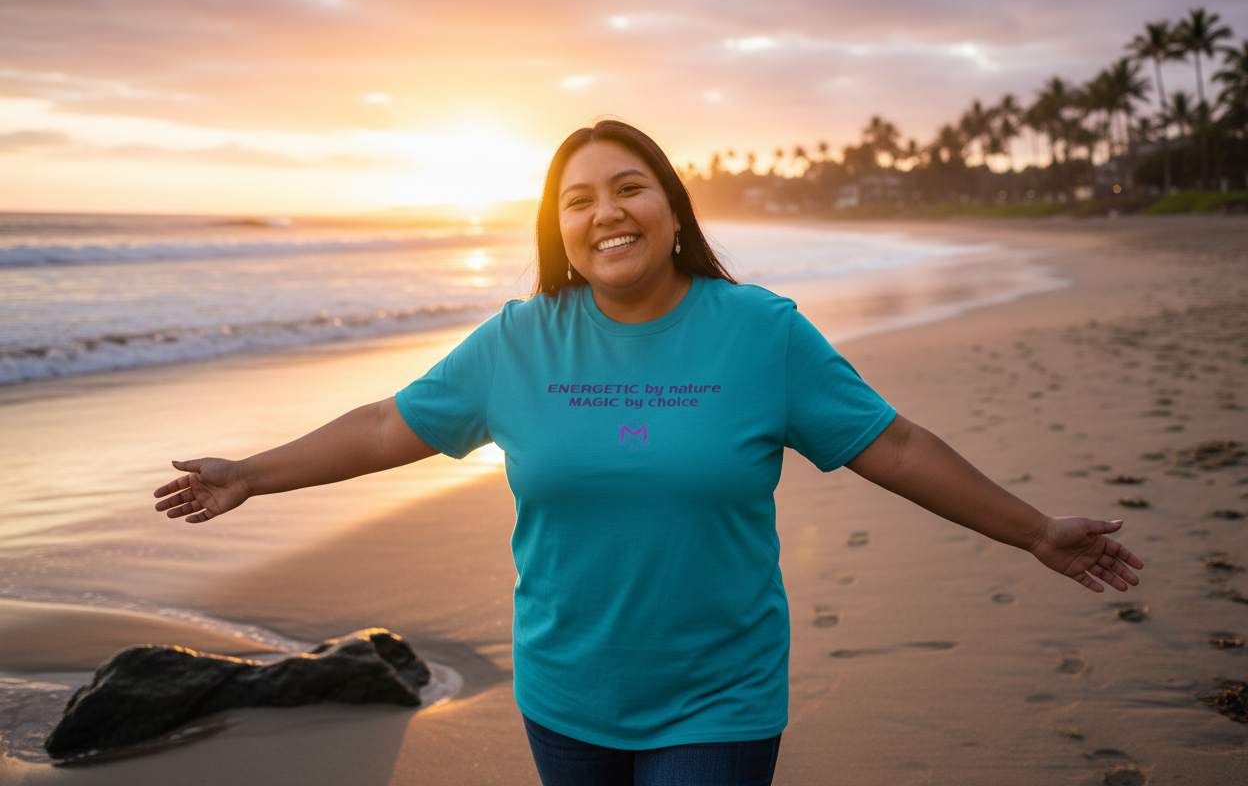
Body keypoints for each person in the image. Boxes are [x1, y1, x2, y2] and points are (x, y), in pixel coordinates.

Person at [154, 120, 1143, 786]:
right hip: (565, 691)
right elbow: (384, 424)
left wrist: (1034, 533)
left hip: (721, 692)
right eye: (578, 200)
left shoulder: (762, 331)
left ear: (672, 210)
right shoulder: (518, 339)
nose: (605, 212)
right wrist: (253, 471)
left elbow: (893, 444)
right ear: (561, 229)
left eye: (628, 188)